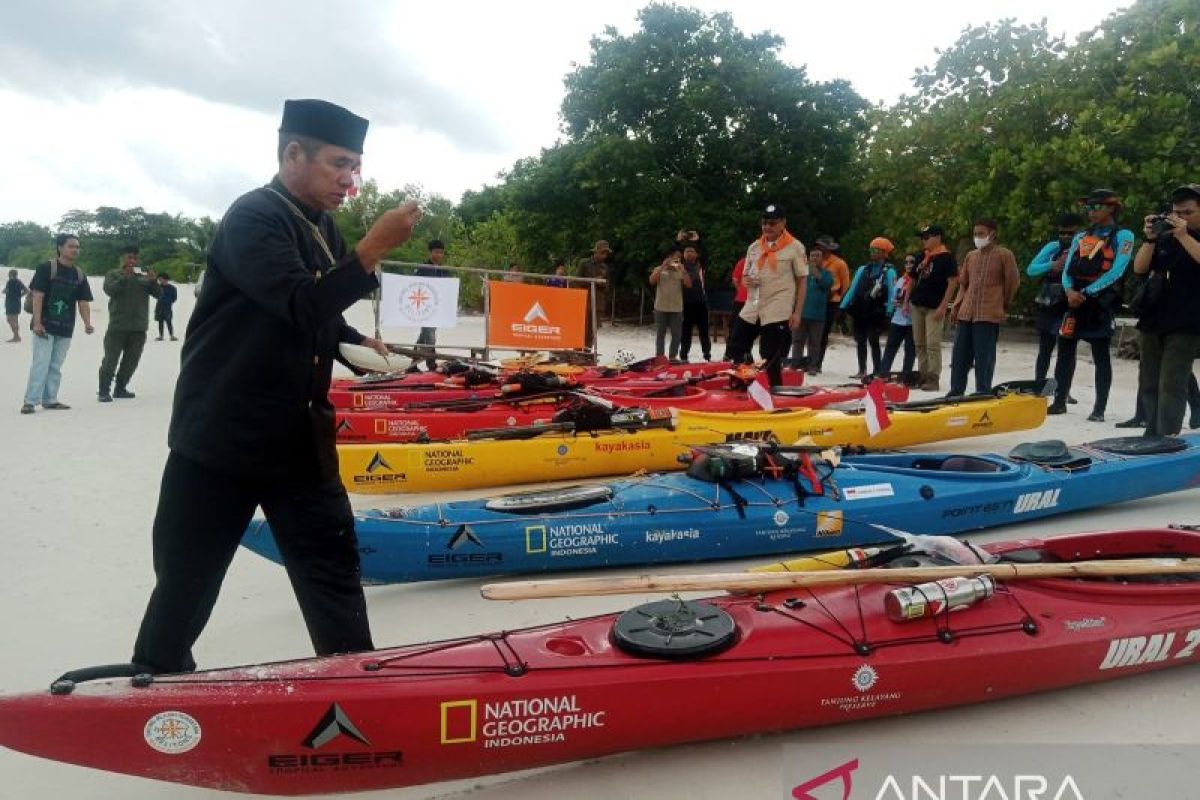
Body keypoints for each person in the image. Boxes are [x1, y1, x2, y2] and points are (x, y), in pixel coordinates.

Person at [130, 99, 422, 674]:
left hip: (298, 439)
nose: (350, 180)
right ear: (293, 153)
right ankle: (154, 682)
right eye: (339, 164)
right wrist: (373, 249)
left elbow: (322, 314)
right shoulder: (254, 217)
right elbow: (297, 300)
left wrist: (356, 343)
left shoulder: (322, 225)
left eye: (356, 167)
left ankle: (354, 684)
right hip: (221, 435)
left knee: (333, 572)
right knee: (187, 581)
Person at [1047, 190, 1134, 420]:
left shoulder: (1124, 235)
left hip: (1099, 303)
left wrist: (1086, 292)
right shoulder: (1081, 236)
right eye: (1088, 208)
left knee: (1101, 355)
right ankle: (1059, 401)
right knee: (1065, 351)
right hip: (1074, 301)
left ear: (1111, 208)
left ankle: (1099, 409)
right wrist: (1069, 291)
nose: (1091, 212)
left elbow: (1118, 270)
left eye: (1097, 207)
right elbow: (1067, 269)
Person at [1128, 183, 1200, 435]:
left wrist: (1184, 235)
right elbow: (1139, 268)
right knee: (1148, 379)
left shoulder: (1186, 236)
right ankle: (1152, 429)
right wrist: (1150, 238)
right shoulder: (1166, 235)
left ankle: (1167, 434)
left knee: (1172, 380)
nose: (1180, 218)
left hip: (1187, 320)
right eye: (1176, 213)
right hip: (1154, 316)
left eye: (1187, 213)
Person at [726, 203, 807, 387]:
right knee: (736, 345)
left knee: (770, 354)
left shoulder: (795, 247)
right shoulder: (754, 247)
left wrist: (797, 312)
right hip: (753, 303)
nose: (767, 227)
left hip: (778, 305)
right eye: (764, 223)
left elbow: (802, 281)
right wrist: (746, 281)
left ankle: (774, 390)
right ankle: (745, 382)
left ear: (783, 223)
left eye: (772, 223)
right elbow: (745, 275)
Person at [20, 234, 94, 414]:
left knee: (55, 365)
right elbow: (38, 295)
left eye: (77, 247)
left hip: (66, 326)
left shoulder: (79, 274)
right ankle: (30, 401)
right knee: (41, 363)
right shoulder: (47, 268)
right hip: (44, 325)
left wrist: (87, 323)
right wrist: (37, 322)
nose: (75, 250)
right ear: (60, 248)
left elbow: (83, 301)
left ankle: (50, 399)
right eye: (71, 246)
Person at [947, 218, 1020, 397]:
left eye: (981, 233)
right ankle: (956, 391)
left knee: (984, 357)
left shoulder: (1004, 254)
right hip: (966, 313)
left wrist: (1002, 304)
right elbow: (963, 284)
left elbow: (1013, 282)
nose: (977, 237)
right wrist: (956, 307)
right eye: (975, 234)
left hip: (989, 314)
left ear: (992, 234)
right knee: (959, 357)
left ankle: (982, 391)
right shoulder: (971, 256)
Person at [1027, 213, 1084, 397]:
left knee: (1067, 350)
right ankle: (1039, 385)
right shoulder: (1053, 247)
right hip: (1050, 302)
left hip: (1070, 303)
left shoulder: (1086, 247)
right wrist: (1051, 265)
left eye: (1070, 233)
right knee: (1045, 348)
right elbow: (1031, 269)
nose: (1066, 237)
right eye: (1062, 233)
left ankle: (1063, 390)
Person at [98, 245, 160, 402]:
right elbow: (109, 290)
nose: (132, 261)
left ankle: (120, 389)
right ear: (122, 258)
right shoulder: (113, 274)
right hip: (118, 326)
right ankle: (104, 391)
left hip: (139, 327)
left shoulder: (143, 277)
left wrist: (153, 281)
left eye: (135, 258)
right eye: (129, 257)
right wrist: (125, 277)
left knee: (131, 361)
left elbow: (159, 294)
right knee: (110, 360)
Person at [909, 225, 958, 391]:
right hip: (917, 303)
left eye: (927, 237)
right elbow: (912, 279)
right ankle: (922, 375)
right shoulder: (921, 256)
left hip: (934, 305)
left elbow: (953, 282)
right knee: (919, 343)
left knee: (932, 343)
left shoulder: (946, 257)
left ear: (938, 237)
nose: (924, 240)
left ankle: (933, 377)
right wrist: (906, 301)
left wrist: (944, 306)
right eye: (922, 237)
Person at [840, 237, 897, 379]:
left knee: (873, 339)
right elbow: (852, 289)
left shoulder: (889, 272)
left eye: (876, 250)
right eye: (871, 250)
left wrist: (889, 313)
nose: (873, 253)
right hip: (860, 310)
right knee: (860, 340)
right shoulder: (863, 269)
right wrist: (842, 307)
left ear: (885, 253)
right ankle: (862, 369)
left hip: (877, 312)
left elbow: (892, 293)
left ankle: (877, 369)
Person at [789, 245, 834, 372]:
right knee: (797, 341)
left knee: (815, 342)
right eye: (812, 255)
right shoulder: (802, 273)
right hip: (801, 313)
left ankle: (813, 366)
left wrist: (817, 274)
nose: (814, 258)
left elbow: (827, 285)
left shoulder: (827, 273)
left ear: (822, 258)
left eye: (817, 256)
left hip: (818, 315)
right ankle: (795, 364)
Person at [876, 251, 918, 380]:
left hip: (913, 320)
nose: (908, 265)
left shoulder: (918, 280)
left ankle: (906, 375)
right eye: (906, 262)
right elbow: (894, 297)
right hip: (898, 318)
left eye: (912, 262)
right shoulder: (900, 280)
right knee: (890, 347)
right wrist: (894, 302)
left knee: (910, 350)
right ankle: (883, 373)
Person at [409, 239, 446, 372]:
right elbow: (414, 285)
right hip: (425, 308)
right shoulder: (423, 268)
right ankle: (431, 364)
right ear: (430, 253)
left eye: (441, 253)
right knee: (429, 335)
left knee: (424, 335)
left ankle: (412, 363)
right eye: (436, 252)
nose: (439, 255)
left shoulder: (444, 270)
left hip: (436, 308)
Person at [650, 244, 692, 360]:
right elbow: (652, 280)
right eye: (675, 257)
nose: (677, 260)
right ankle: (659, 357)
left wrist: (683, 271)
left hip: (676, 308)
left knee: (677, 334)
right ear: (669, 257)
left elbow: (689, 284)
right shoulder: (659, 268)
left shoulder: (680, 270)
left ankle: (673, 357)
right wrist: (663, 266)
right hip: (660, 307)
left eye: (679, 258)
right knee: (660, 334)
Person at [816, 235, 850, 354]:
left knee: (824, 332)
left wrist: (842, 306)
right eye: (820, 246)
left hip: (832, 300)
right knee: (812, 331)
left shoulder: (840, 263)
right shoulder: (814, 261)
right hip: (815, 300)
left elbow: (846, 286)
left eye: (823, 247)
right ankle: (810, 359)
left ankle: (817, 362)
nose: (821, 248)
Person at [678, 243, 711, 361]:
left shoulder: (701, 265)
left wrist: (698, 241)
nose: (689, 253)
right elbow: (671, 254)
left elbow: (706, 253)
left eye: (692, 251)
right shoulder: (680, 265)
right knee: (686, 331)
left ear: (696, 254)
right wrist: (678, 241)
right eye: (687, 251)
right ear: (683, 254)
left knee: (704, 331)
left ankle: (707, 355)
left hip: (701, 302)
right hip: (686, 303)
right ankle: (683, 355)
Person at [577, 239, 612, 348]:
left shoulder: (605, 268)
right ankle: (577, 352)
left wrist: (602, 283)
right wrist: (593, 280)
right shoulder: (584, 263)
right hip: (585, 302)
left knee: (592, 332)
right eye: (602, 252)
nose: (604, 256)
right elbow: (576, 281)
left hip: (598, 304)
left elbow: (607, 286)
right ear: (595, 252)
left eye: (606, 253)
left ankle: (587, 353)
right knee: (581, 329)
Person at [722, 255, 748, 361]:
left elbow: (735, 279)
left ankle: (745, 353)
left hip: (755, 301)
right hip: (742, 300)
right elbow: (735, 279)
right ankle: (729, 353)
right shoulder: (743, 261)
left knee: (748, 330)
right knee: (735, 328)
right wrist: (742, 290)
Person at [154, 272, 179, 340]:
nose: (159, 280)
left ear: (166, 279)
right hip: (159, 306)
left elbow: (174, 298)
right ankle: (161, 336)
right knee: (160, 321)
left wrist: (168, 302)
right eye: (159, 279)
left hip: (168, 307)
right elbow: (155, 295)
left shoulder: (173, 288)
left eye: (161, 279)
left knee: (169, 321)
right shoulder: (158, 287)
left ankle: (171, 336)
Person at [4, 268, 27, 342]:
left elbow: (6, 290)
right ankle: (16, 337)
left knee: (9, 319)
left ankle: (16, 336)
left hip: (10, 303)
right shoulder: (19, 282)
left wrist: (4, 291)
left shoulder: (10, 281)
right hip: (17, 303)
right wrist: (20, 296)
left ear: (11, 274)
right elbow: (27, 290)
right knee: (15, 320)